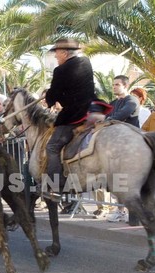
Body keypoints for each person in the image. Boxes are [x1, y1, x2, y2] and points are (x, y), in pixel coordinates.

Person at [44, 38, 96, 197]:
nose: (55, 57)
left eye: (57, 53)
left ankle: (56, 187)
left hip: (75, 114)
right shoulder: (86, 62)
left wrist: (49, 97)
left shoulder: (60, 70)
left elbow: (54, 95)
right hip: (93, 109)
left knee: (52, 147)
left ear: (65, 53)